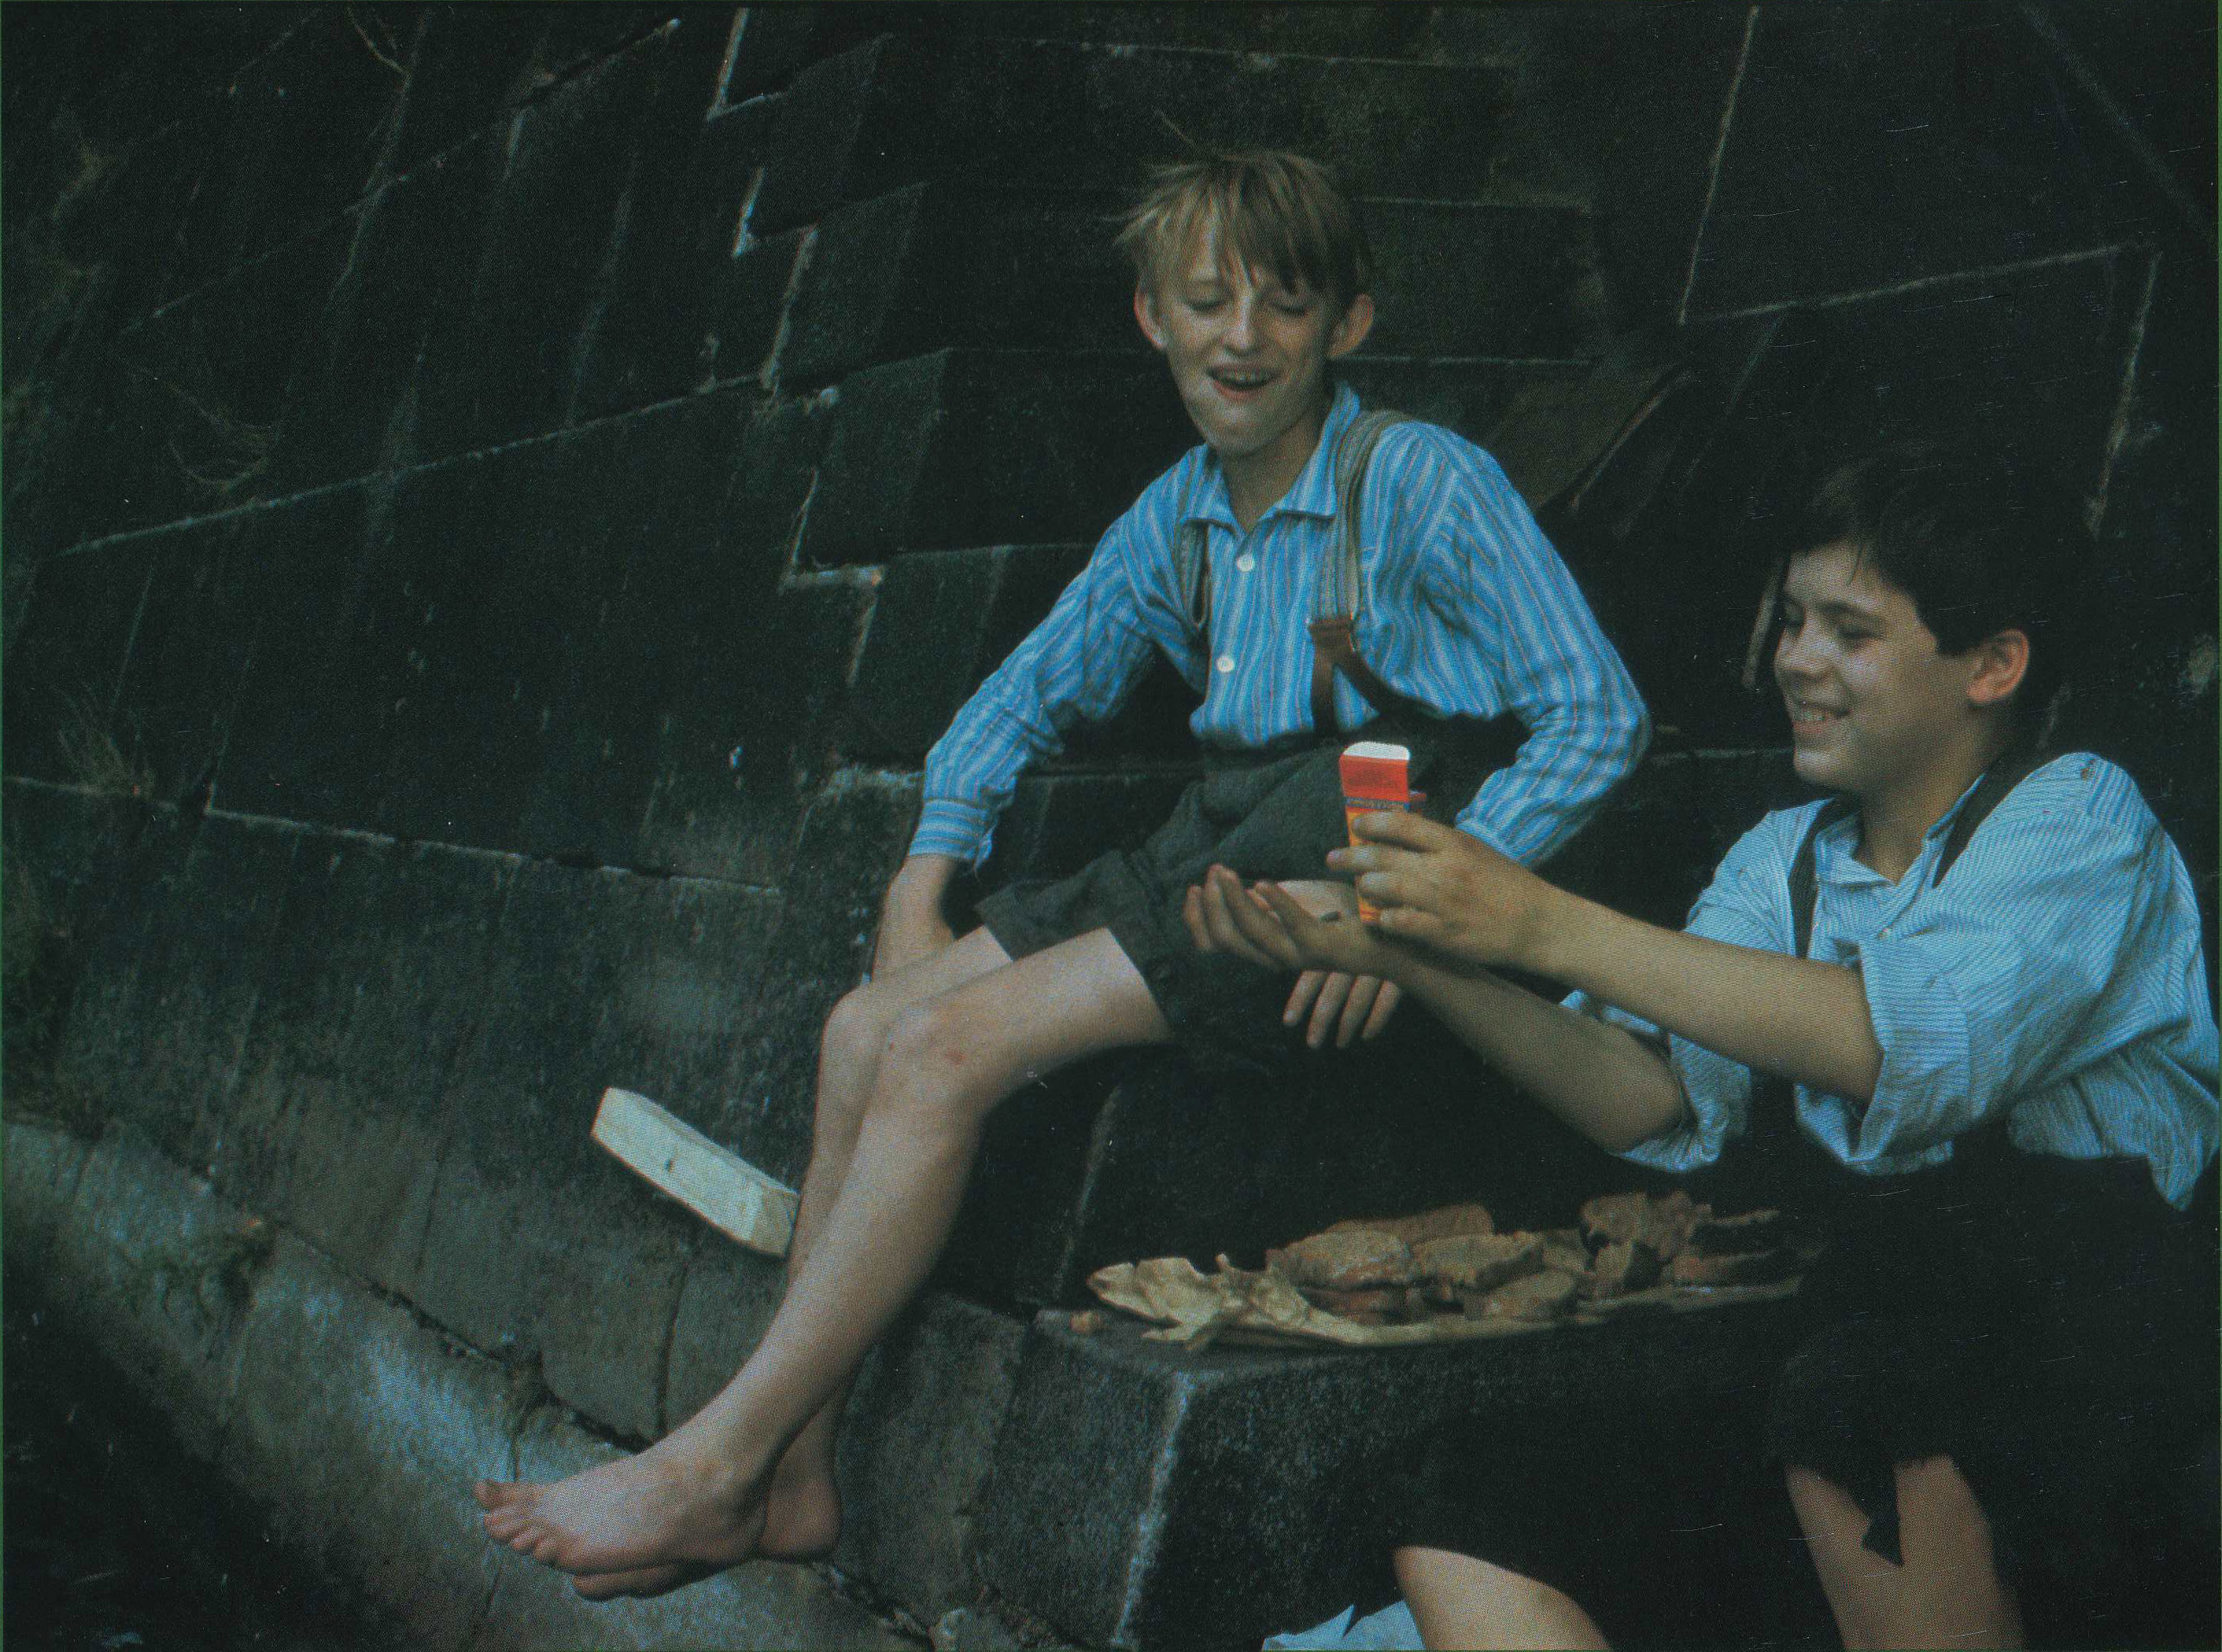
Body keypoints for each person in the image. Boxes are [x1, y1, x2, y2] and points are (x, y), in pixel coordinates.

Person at [474, 147, 1647, 1599]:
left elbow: (1597, 715)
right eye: (1206, 302)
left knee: (942, 1053)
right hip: (1218, 837)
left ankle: (709, 1465)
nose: (1242, 338)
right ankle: (796, 1473)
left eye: (1284, 305)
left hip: (1355, 849)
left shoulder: (1418, 480)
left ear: (1347, 322)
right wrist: (921, 878)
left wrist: (1437, 912)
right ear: (1153, 317)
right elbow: (1016, 699)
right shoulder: (1176, 518)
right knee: (863, 1029)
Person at [1187, 440, 2220, 1648]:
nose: (1797, 659)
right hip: (1848, 1351)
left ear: (1993, 665)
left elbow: (1912, 1049)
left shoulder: (2078, 816)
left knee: (1863, 1392)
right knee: (1461, 1506)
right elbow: (1653, 1096)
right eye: (1792, 620)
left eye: (1850, 631)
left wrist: (1539, 920)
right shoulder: (1784, 860)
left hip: (2077, 1363)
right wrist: (1420, 960)